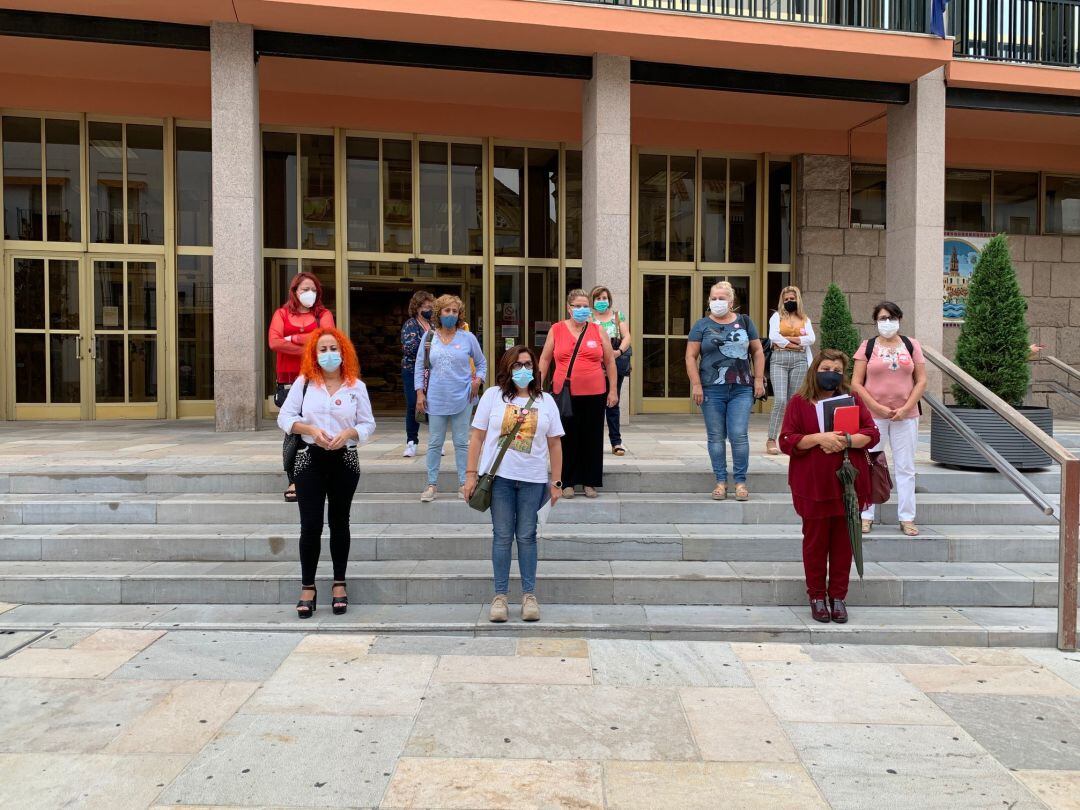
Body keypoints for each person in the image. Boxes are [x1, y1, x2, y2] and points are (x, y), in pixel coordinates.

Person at [277, 327, 375, 619]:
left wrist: (350, 432)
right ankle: (308, 587)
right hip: (310, 460)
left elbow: (368, 424)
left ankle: (339, 583)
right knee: (310, 525)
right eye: (323, 349)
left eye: (334, 348)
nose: (329, 354)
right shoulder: (305, 383)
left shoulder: (355, 386)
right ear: (314, 354)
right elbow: (285, 416)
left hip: (344, 460)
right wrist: (308, 429)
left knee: (339, 522)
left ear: (343, 352)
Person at [464, 345, 564, 623]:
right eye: (517, 365)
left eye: (528, 365)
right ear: (508, 368)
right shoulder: (492, 397)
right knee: (502, 536)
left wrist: (556, 481)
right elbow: (477, 437)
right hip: (500, 480)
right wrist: (470, 475)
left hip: (532, 480)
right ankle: (500, 597)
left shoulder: (546, 401)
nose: (523, 370)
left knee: (527, 536)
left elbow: (555, 444)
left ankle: (529, 596)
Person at [780, 349, 879, 624]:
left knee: (844, 543)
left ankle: (838, 597)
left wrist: (846, 440)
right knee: (815, 543)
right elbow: (787, 440)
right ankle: (816, 596)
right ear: (815, 369)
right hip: (813, 484)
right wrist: (818, 438)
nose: (831, 374)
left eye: (836, 370)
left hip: (848, 484)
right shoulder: (799, 402)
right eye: (826, 368)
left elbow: (872, 433)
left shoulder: (852, 399)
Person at [851, 301, 927, 537]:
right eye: (882, 318)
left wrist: (906, 407)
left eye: (891, 317)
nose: (887, 322)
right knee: (868, 463)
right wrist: (875, 406)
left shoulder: (910, 345)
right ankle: (866, 515)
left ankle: (907, 518)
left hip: (906, 415)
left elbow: (921, 380)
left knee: (906, 467)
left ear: (899, 319)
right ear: (875, 321)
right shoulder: (868, 346)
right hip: (874, 416)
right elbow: (856, 382)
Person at [686, 281, 766, 502]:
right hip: (711, 388)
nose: (717, 302)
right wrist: (696, 384)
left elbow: (757, 351)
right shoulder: (701, 325)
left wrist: (758, 379)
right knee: (716, 436)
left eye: (722, 298)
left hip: (741, 388)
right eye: (714, 298)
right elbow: (690, 356)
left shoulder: (745, 322)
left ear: (731, 302)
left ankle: (740, 481)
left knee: (738, 435)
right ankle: (720, 481)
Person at [539, 289, 617, 499]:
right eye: (578, 306)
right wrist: (536, 385)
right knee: (566, 437)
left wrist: (613, 390)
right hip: (564, 393)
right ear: (569, 308)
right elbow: (545, 359)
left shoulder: (597, 330)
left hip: (594, 392)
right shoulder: (557, 329)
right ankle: (568, 481)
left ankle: (590, 482)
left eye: (585, 306)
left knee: (591, 437)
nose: (582, 310)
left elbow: (610, 361)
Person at [415, 294, 487, 502]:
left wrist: (477, 381)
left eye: (455, 311)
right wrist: (420, 392)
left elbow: (481, 363)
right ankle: (431, 485)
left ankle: (465, 483)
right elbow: (420, 366)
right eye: (447, 311)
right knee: (435, 443)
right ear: (439, 313)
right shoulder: (429, 337)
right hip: (435, 398)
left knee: (462, 443)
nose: (451, 315)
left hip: (462, 397)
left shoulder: (468, 337)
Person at [766, 286, 816, 456]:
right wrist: (796, 344)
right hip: (779, 360)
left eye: (792, 299)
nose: (789, 302)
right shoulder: (776, 317)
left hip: (799, 361)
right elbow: (773, 336)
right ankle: (771, 438)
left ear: (798, 299)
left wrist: (787, 339)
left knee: (794, 401)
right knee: (780, 400)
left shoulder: (805, 319)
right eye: (786, 299)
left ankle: (790, 438)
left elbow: (811, 339)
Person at [590, 285, 633, 456]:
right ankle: (593, 442)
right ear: (593, 301)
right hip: (593, 365)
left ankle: (616, 442)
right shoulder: (588, 318)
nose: (602, 301)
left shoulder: (617, 316)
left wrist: (618, 352)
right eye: (598, 298)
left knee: (613, 402)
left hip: (614, 363)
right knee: (595, 405)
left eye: (604, 298)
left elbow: (627, 336)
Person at [400, 290, 435, 458]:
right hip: (412, 370)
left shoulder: (435, 325)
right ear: (417, 307)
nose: (428, 309)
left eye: (430, 306)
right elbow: (409, 347)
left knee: (433, 405)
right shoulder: (411, 324)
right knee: (414, 404)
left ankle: (436, 441)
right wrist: (429, 346)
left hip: (433, 372)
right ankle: (411, 441)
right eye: (424, 306)